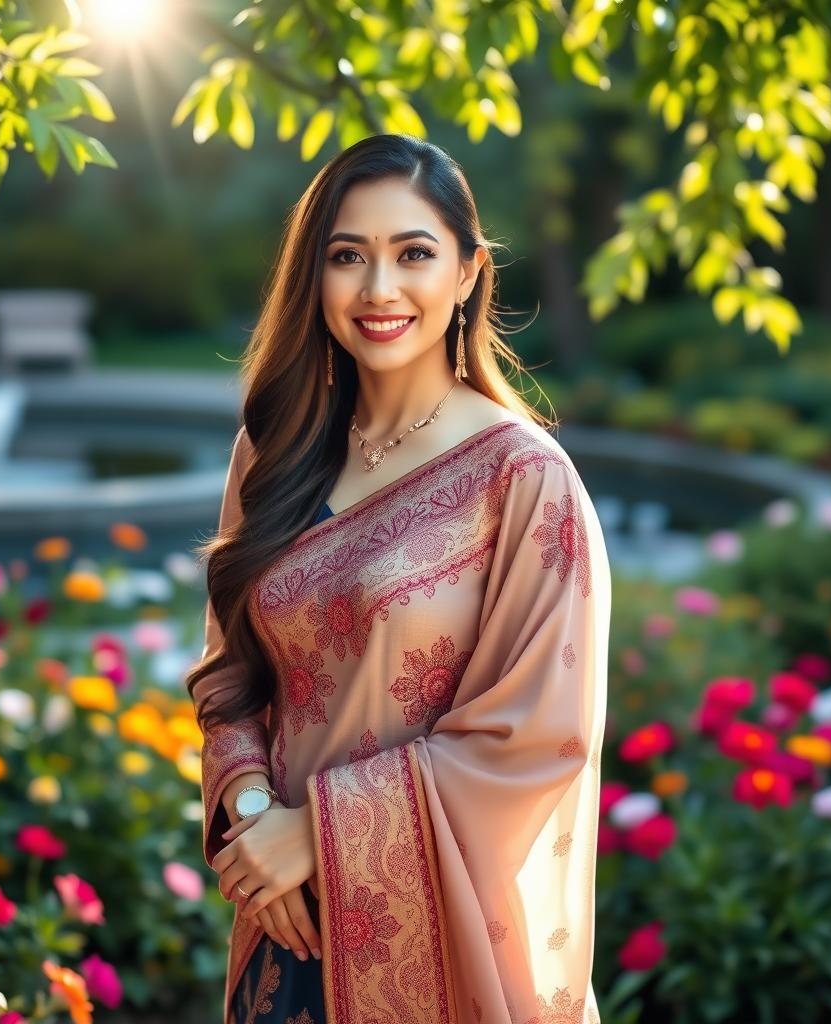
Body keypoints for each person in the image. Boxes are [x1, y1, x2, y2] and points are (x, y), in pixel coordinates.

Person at [186, 133, 610, 1024]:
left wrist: (316, 835)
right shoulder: (274, 454)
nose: (379, 290)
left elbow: (540, 735)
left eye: (413, 253)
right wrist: (259, 817)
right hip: (285, 930)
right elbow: (229, 672)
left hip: (440, 951)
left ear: (466, 274)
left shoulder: (521, 480)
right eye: (348, 257)